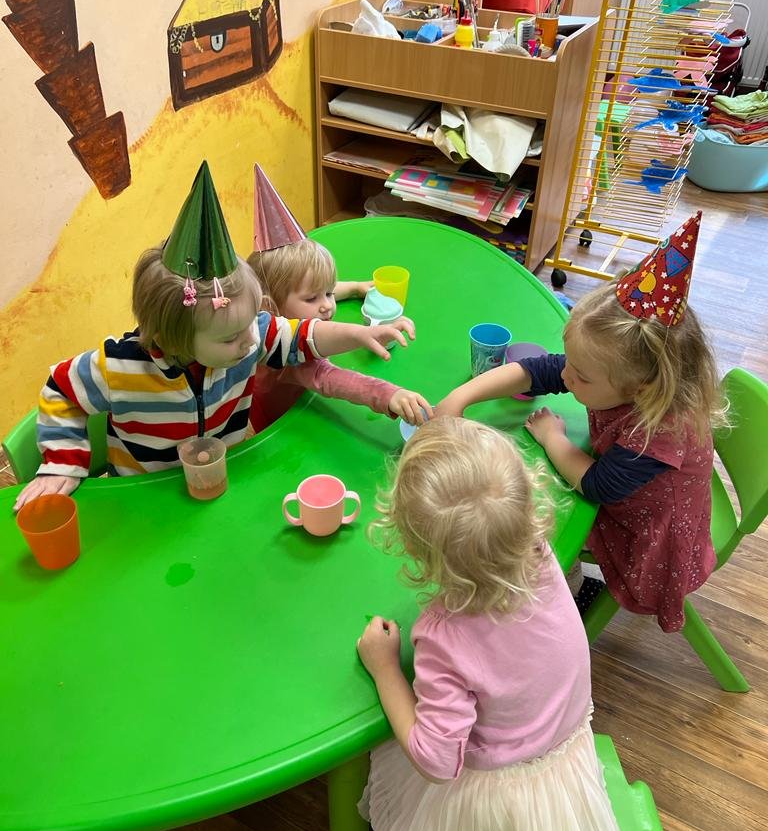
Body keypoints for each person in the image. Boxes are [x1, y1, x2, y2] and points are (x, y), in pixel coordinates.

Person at [13, 162, 412, 511]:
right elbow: (61, 389)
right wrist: (63, 462)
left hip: (224, 482)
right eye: (231, 338)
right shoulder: (119, 367)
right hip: (146, 501)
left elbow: (303, 336)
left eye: (251, 324)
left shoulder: (246, 336)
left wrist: (359, 333)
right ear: (175, 338)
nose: (251, 343)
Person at [357, 416, 625, 831]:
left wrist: (385, 669)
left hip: (498, 799)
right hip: (564, 756)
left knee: (388, 754)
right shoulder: (540, 555)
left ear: (415, 547)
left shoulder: (444, 637)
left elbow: (436, 761)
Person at [436, 213, 725, 632]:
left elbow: (598, 485)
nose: (567, 376)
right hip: (633, 491)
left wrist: (552, 437)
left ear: (640, 388)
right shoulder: (615, 376)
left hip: (648, 534)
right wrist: (460, 397)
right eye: (570, 363)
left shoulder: (658, 433)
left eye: (581, 376)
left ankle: (569, 592)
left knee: (536, 531)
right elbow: (538, 370)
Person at [246, 165, 431, 433]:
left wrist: (353, 287)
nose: (327, 305)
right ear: (270, 307)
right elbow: (334, 379)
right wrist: (389, 395)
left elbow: (318, 290)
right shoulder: (286, 357)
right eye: (312, 298)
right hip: (273, 428)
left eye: (329, 293)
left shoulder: (265, 306)